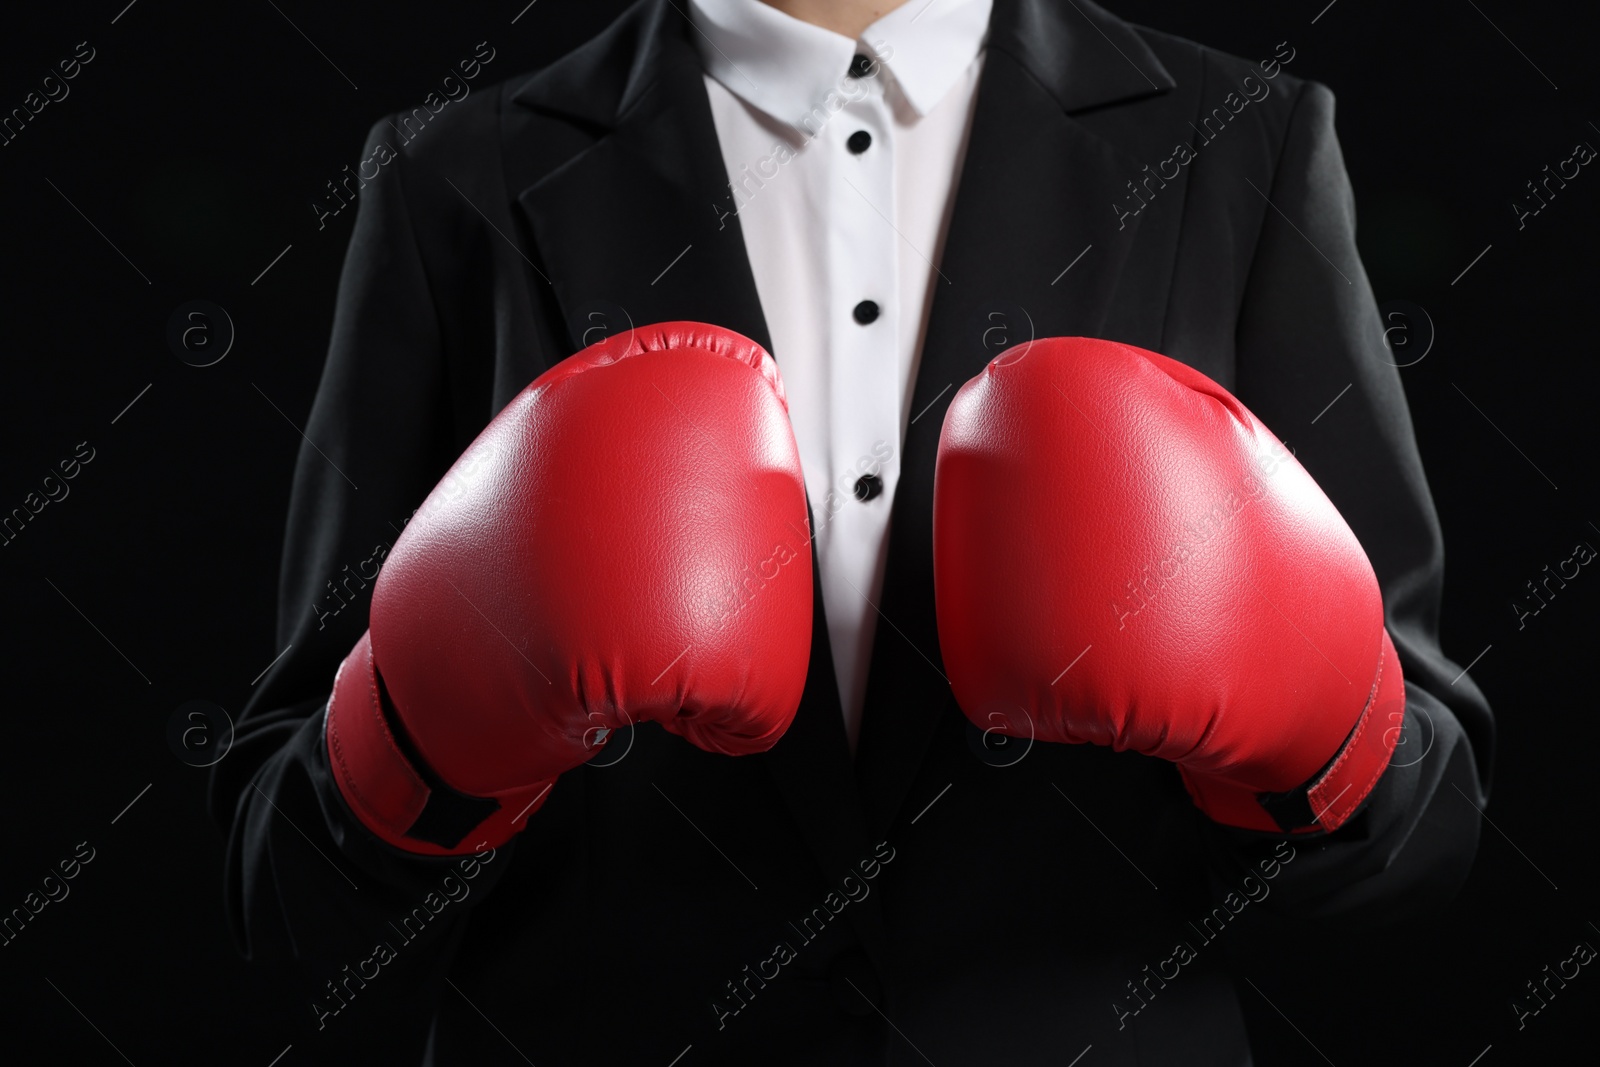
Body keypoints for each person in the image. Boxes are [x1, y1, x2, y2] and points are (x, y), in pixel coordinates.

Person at [211, 1, 1494, 1063]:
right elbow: (284, 887)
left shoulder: (1240, 142)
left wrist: (1308, 718)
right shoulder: (457, 175)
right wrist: (430, 730)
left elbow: (1428, 827)